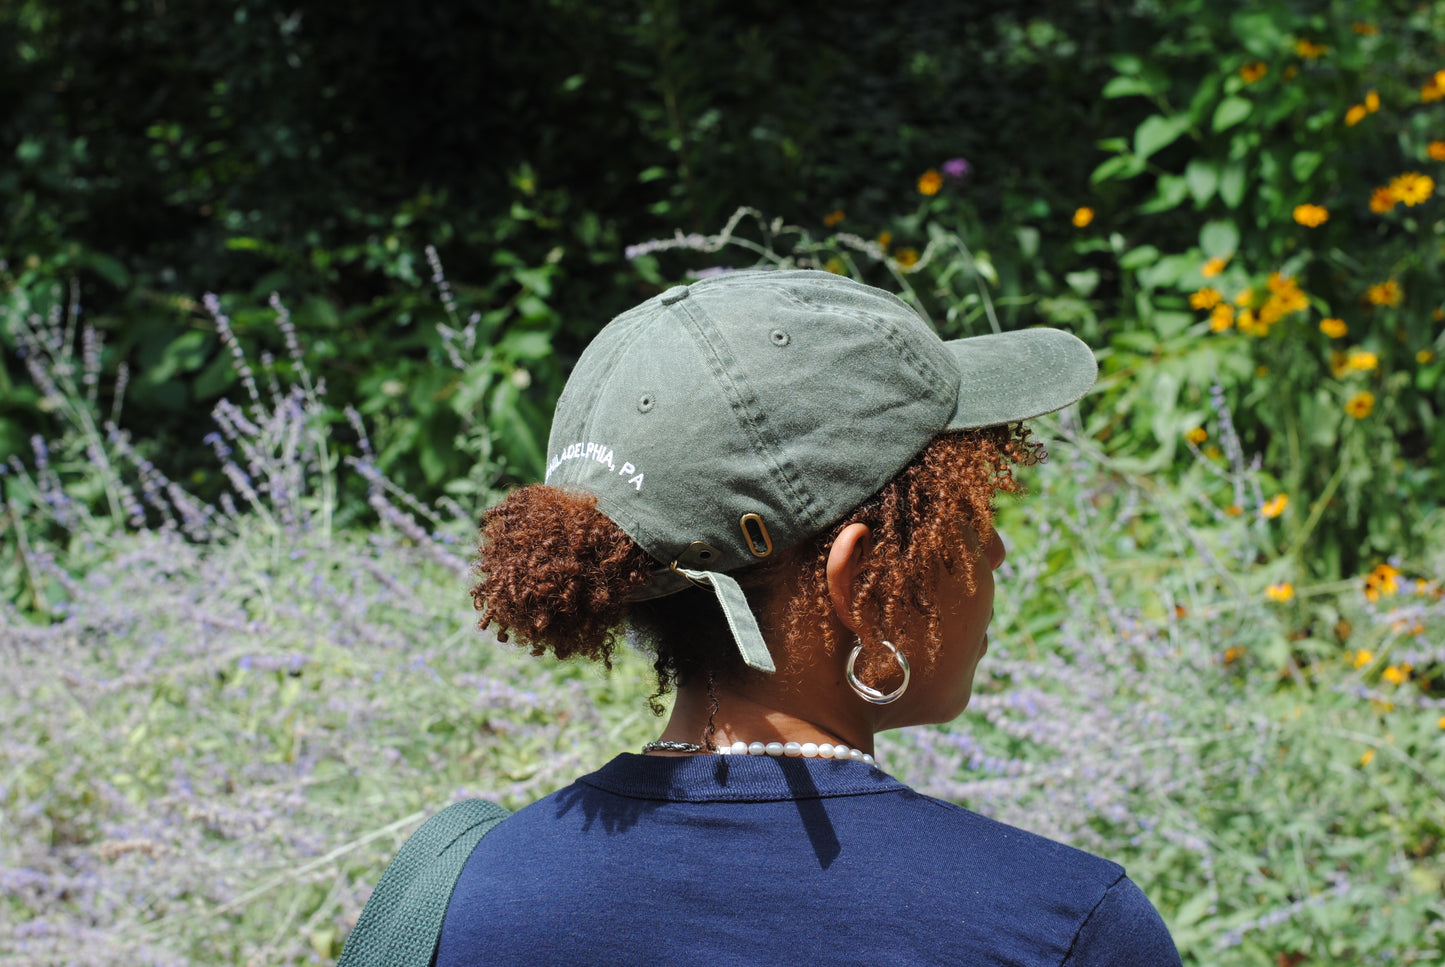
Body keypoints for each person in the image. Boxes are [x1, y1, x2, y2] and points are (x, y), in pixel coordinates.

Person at [440, 270, 1181, 966]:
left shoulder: (456, 900)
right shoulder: (1062, 928)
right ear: (857, 585)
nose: (995, 551)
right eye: (962, 519)